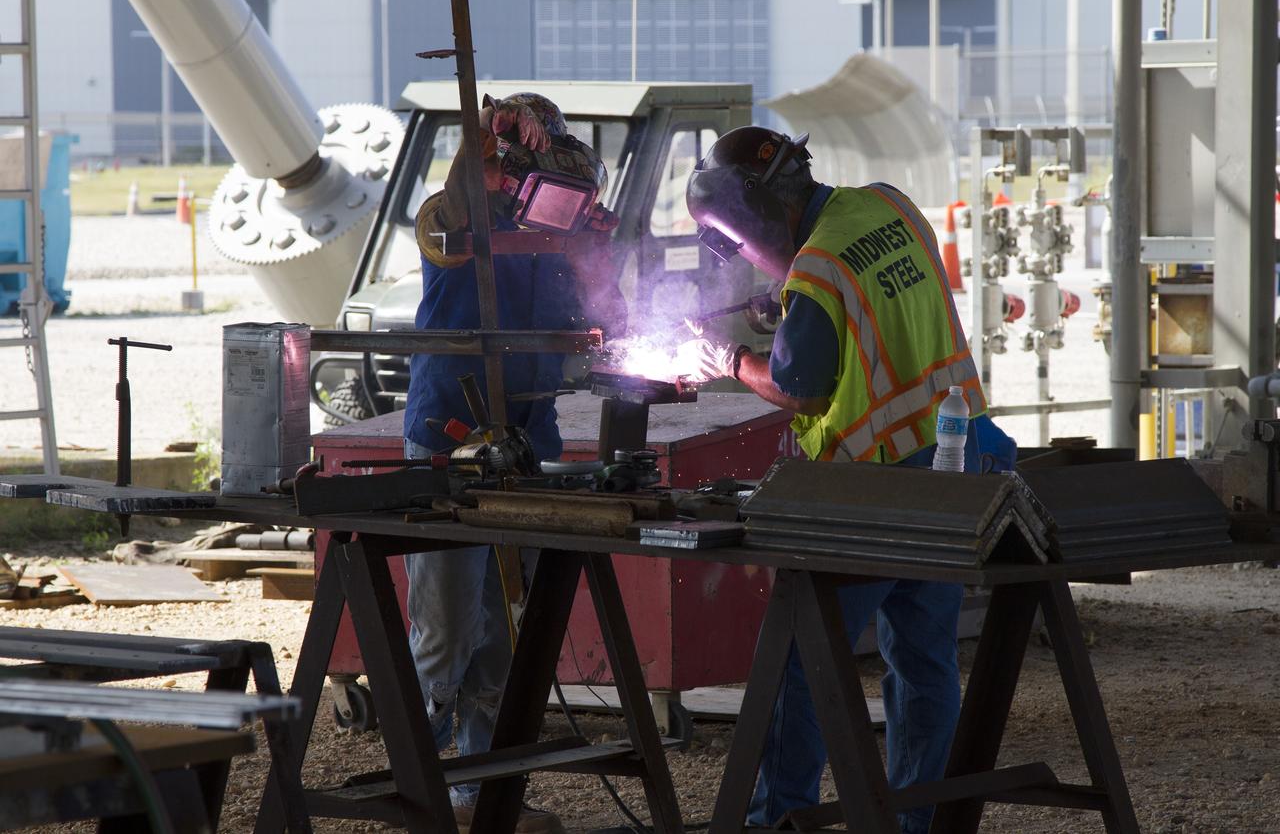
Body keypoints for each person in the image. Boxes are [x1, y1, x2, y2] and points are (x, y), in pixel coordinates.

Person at [687, 126, 1017, 833]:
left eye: (743, 242)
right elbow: (880, 303)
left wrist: (735, 362)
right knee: (923, 661)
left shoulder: (815, 269)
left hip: (879, 487)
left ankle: (780, 817)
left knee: (804, 653)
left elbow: (802, 387)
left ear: (759, 219)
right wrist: (787, 311)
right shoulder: (889, 205)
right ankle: (916, 820)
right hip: (960, 462)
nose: (748, 256)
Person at [407, 92, 623, 834]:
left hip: (527, 441)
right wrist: (480, 137)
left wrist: (599, 254)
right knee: (445, 628)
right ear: (511, 175)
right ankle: (422, 787)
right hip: (451, 435)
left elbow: (602, 319)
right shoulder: (451, 217)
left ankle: (483, 789)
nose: (555, 209)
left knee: (501, 631)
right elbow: (463, 189)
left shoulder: (558, 239)